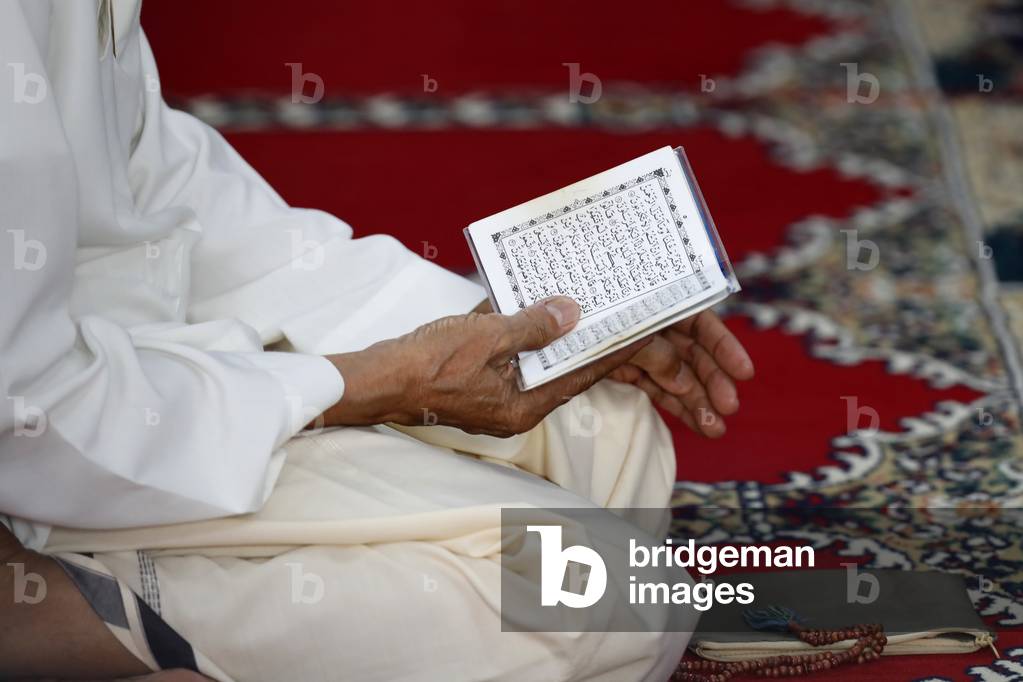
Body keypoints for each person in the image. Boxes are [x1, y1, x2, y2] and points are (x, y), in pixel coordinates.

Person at [0, 1, 754, 680]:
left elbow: (168, 208)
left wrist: (494, 325)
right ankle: (53, 615)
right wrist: (366, 385)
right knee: (601, 598)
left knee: (605, 430)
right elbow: (32, 415)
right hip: (69, 448)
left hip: (155, 375)